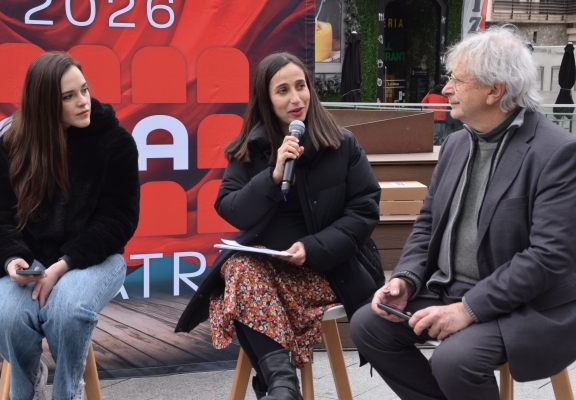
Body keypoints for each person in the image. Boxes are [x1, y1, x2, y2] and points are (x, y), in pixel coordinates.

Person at [350, 26, 576, 400]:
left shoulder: (558, 153)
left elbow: (548, 258)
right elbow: (427, 224)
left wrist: (468, 309)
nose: (446, 88)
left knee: (455, 360)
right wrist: (405, 279)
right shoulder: (456, 143)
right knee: (368, 325)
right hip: (448, 290)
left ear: (494, 91)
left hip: (526, 307)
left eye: (457, 79)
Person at [175, 52, 384, 400]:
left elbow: (364, 211)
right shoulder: (250, 148)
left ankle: (279, 388)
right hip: (266, 273)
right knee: (239, 270)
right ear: (267, 100)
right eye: (283, 90)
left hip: (331, 272)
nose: (296, 98)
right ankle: (284, 385)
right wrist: (272, 176)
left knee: (239, 292)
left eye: (301, 86)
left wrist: (312, 248)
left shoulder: (343, 144)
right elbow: (231, 209)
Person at [0, 53, 140, 400]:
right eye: (69, 96)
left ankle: (68, 390)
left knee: (68, 312)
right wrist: (12, 259)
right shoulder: (13, 143)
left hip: (94, 259)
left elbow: (118, 221)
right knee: (6, 316)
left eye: (84, 89)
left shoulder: (115, 142)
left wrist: (63, 266)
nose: (83, 101)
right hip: (31, 260)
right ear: (45, 105)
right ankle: (29, 384)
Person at [421, 75, 451, 145]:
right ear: (446, 82)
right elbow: (450, 104)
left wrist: (429, 110)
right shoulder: (446, 94)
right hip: (442, 118)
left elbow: (423, 102)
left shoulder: (431, 92)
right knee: (443, 137)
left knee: (434, 136)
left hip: (431, 116)